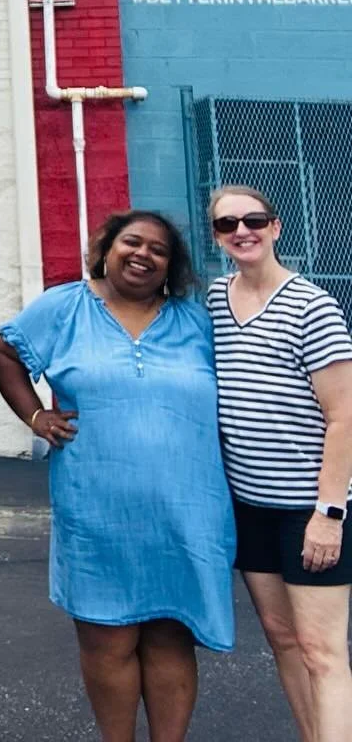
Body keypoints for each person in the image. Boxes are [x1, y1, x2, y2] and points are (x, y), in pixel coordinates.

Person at [0, 210, 235, 742]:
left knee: (171, 637)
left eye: (159, 250)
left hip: (187, 513)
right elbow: (3, 351)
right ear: (107, 248)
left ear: (172, 265)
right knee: (108, 642)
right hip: (97, 511)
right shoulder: (65, 307)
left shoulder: (196, 323)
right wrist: (36, 415)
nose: (143, 254)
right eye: (132, 242)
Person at [207, 185, 352, 742]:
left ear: (275, 227)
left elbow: (343, 416)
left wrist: (328, 514)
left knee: (322, 651)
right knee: (282, 638)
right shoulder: (214, 302)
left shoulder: (312, 306)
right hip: (250, 507)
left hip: (307, 511)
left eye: (253, 220)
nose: (241, 231)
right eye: (227, 225)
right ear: (217, 237)